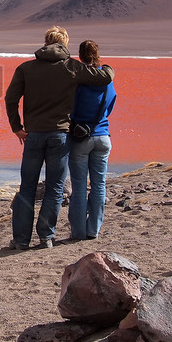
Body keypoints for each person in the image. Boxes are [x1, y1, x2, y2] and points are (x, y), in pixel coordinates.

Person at [4, 27, 115, 250]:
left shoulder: (26, 68)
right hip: (60, 136)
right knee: (55, 187)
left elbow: (10, 98)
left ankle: (21, 240)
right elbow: (105, 77)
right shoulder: (72, 67)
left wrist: (16, 127)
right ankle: (46, 237)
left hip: (33, 135)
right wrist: (108, 67)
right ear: (65, 44)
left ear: (45, 42)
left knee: (27, 187)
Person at [68, 40, 117, 241]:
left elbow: (70, 107)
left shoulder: (78, 82)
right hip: (103, 137)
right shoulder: (108, 82)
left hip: (81, 138)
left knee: (79, 186)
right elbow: (110, 107)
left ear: (80, 55)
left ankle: (78, 232)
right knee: (99, 185)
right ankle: (93, 230)